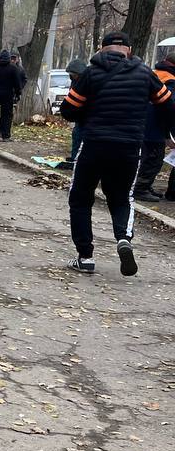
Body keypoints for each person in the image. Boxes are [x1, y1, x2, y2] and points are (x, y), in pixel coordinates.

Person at [59, 30, 174, 276]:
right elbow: (167, 104)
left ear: (102, 49)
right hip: (129, 147)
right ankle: (123, 238)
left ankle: (85, 256)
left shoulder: (90, 73)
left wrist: (87, 114)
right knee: (122, 197)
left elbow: (69, 110)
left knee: (80, 198)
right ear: (129, 50)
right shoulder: (146, 73)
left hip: (94, 145)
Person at [133, 51, 175, 201]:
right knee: (154, 159)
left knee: (146, 157)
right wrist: (168, 133)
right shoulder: (171, 80)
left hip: (142, 122)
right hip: (155, 126)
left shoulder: (155, 73)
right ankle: (140, 188)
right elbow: (169, 107)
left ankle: (145, 186)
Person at [62, 58, 89, 170]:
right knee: (76, 135)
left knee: (79, 135)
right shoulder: (76, 81)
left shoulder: (84, 82)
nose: (72, 76)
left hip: (84, 116)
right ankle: (74, 157)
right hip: (79, 116)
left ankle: (77, 159)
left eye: (73, 74)